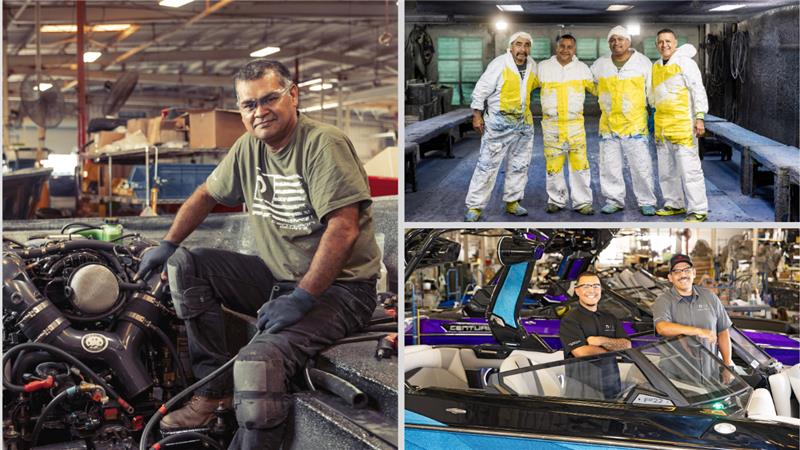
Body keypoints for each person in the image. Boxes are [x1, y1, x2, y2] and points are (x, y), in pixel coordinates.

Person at [134, 59, 381, 449]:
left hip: (342, 289)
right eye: (249, 105)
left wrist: (303, 297)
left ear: (293, 95)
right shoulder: (248, 147)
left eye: (270, 99)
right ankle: (212, 392)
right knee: (188, 264)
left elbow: (344, 228)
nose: (260, 111)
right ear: (241, 110)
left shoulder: (323, 144)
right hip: (279, 277)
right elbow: (206, 196)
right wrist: (168, 244)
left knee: (257, 362)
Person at [464, 31, 538, 222]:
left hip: (523, 125)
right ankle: (475, 206)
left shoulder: (532, 65)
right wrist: (477, 115)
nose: (523, 49)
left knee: (520, 165)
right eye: (519, 44)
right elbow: (481, 90)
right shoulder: (499, 64)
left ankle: (513, 202)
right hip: (498, 125)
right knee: (487, 166)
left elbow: (537, 86)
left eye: (526, 45)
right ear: (511, 46)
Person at [591, 26, 657, 216]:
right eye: (612, 39)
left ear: (628, 42)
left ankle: (646, 201)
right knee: (609, 166)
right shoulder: (601, 64)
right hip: (608, 125)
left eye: (620, 39)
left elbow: (651, 90)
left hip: (635, 124)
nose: (616, 43)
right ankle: (614, 200)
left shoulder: (642, 63)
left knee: (641, 166)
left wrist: (654, 113)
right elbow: (591, 84)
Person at [651, 29, 710, 222]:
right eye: (660, 42)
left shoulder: (686, 63)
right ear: (656, 45)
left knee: (690, 170)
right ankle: (674, 203)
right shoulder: (656, 66)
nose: (664, 45)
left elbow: (697, 90)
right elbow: (654, 96)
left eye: (668, 41)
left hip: (683, 126)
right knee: (666, 171)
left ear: (675, 43)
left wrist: (699, 117)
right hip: (663, 127)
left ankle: (698, 209)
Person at [537, 34, 597, 215]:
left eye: (570, 47)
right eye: (562, 46)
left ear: (574, 49)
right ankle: (556, 200)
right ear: (556, 48)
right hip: (552, 125)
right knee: (553, 165)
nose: (565, 50)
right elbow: (525, 87)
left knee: (580, 165)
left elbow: (597, 90)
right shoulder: (543, 68)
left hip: (575, 125)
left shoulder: (582, 69)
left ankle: (583, 202)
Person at [653, 254, 734, 380]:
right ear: (670, 277)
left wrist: (727, 364)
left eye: (686, 270)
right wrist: (698, 331)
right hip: (677, 379)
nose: (683, 275)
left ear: (694, 273)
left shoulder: (710, 297)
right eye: (677, 271)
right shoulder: (663, 301)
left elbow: (723, 331)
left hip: (709, 375)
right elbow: (662, 328)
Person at [559, 272, 631, 400]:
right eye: (586, 286)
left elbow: (627, 345)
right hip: (583, 391)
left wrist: (601, 340)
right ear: (577, 291)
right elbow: (581, 352)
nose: (592, 290)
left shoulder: (610, 317)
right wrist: (613, 347)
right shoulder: (570, 319)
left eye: (596, 286)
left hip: (611, 388)